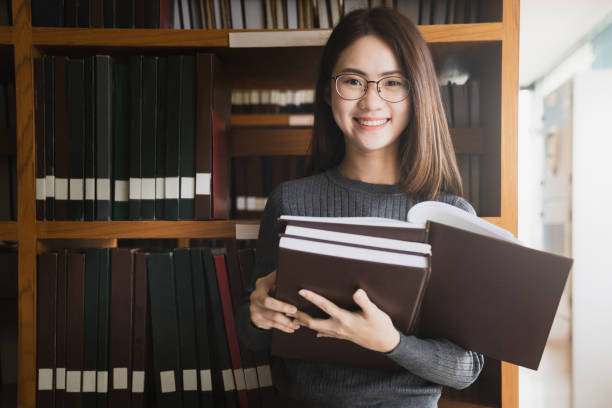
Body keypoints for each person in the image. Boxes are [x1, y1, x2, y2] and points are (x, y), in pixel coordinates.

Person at [235, 7, 484, 408]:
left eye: (392, 82)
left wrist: (390, 343)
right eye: (353, 80)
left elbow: (466, 367)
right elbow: (253, 339)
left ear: (416, 92)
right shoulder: (290, 201)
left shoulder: (450, 214)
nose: (371, 100)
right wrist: (257, 314)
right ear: (327, 91)